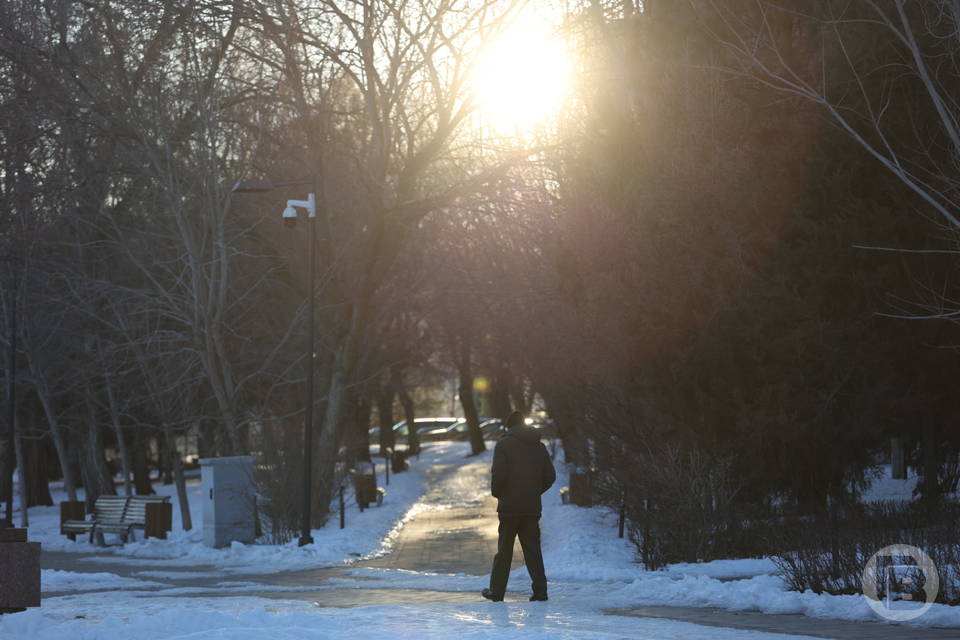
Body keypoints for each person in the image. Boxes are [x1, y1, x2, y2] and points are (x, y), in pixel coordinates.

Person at [482, 410, 556, 602]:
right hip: (531, 507)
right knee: (533, 550)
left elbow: (499, 474)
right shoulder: (539, 446)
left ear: (509, 427)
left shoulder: (504, 445)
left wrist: (499, 493)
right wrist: (533, 492)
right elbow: (550, 476)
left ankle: (496, 592)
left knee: (504, 550)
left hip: (509, 507)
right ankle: (540, 591)